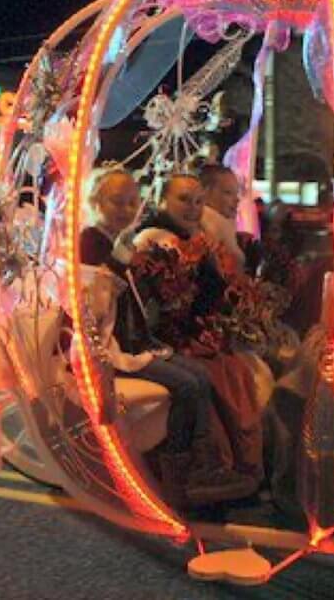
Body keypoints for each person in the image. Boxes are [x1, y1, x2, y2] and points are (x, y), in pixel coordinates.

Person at [79, 168, 256, 506]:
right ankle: (179, 471)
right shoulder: (94, 241)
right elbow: (95, 298)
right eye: (117, 201)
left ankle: (202, 465)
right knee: (189, 384)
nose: (126, 209)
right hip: (110, 344)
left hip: (137, 337)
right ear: (95, 202)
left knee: (201, 375)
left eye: (132, 202)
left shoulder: (128, 242)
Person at [133, 174, 265, 486]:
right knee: (218, 373)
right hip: (168, 337)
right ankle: (201, 468)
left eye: (197, 202)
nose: (192, 208)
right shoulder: (152, 240)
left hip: (197, 332)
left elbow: (214, 295)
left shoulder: (199, 240)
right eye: (183, 199)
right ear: (163, 200)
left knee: (238, 369)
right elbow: (157, 308)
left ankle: (242, 467)